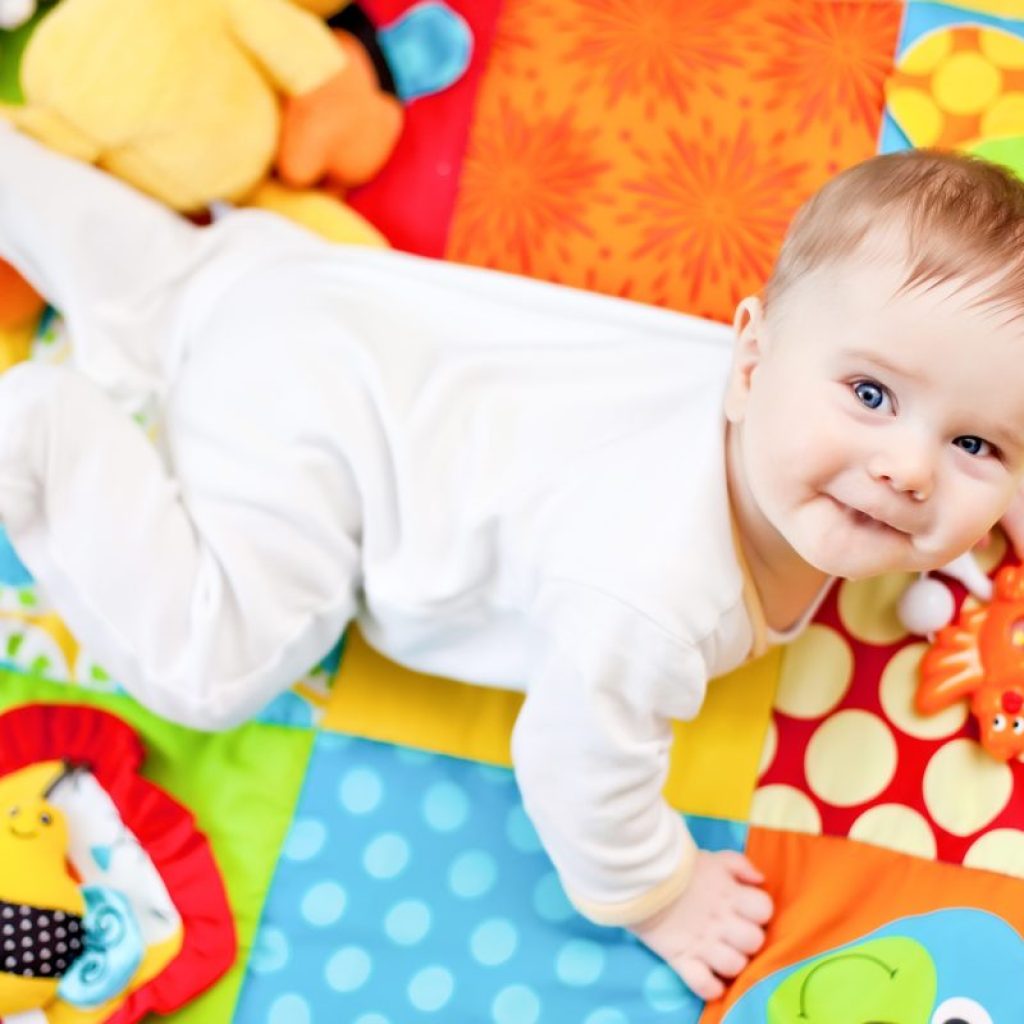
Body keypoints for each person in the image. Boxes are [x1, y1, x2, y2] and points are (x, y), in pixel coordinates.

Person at [2, 124, 1024, 1001]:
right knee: (212, 668)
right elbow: (575, 767)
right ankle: (40, 435)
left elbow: (950, 382)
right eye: (873, 397)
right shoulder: (656, 597)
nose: (908, 472)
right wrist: (659, 890)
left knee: (153, 281)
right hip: (307, 444)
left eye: (975, 445)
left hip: (305, 293)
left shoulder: (785, 377)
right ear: (750, 360)